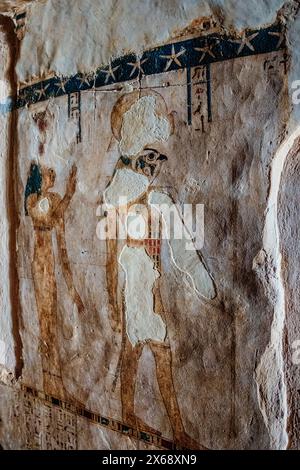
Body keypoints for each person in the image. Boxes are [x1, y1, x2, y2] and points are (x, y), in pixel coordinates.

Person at [103, 90, 217, 449]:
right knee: (143, 347)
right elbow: (113, 240)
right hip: (136, 275)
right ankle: (140, 417)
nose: (153, 167)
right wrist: (112, 288)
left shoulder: (146, 192)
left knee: (146, 348)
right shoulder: (124, 188)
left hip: (145, 274)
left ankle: (165, 425)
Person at [25, 162, 84, 401]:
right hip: (40, 265)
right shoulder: (33, 200)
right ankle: (49, 382)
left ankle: (55, 383)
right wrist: (67, 195)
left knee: (52, 324)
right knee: (45, 324)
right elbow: (44, 216)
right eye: (49, 172)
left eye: (53, 172)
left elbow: (62, 244)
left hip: (49, 264)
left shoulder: (54, 198)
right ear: (39, 177)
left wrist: (72, 289)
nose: (53, 174)